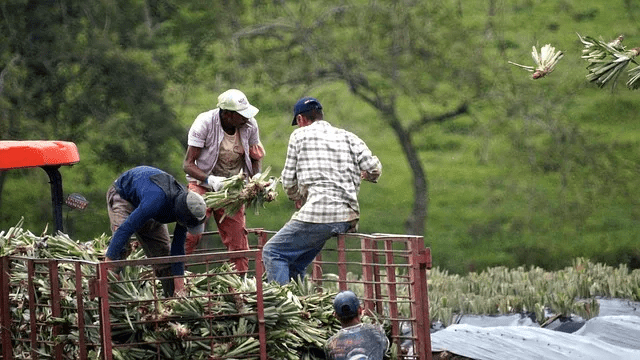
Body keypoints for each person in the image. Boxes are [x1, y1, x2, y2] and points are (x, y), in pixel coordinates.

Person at [262, 97, 382, 285]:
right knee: (295, 262)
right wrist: (366, 176)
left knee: (273, 252)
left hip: (318, 214)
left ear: (300, 119)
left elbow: (287, 180)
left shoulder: (298, 136)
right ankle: (300, 304)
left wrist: (297, 197)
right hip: (346, 216)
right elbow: (374, 168)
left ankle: (283, 307)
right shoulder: (349, 136)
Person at [182, 88, 265, 272]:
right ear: (227, 114)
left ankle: (238, 287)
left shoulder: (250, 125)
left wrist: (256, 178)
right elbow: (188, 164)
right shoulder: (205, 123)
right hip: (203, 184)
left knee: (238, 242)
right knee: (191, 234)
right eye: (241, 115)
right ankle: (175, 276)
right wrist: (210, 180)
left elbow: (255, 156)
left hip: (232, 187)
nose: (246, 118)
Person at [105, 165, 207, 297]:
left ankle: (172, 302)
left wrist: (180, 287)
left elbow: (178, 249)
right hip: (124, 196)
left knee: (164, 259)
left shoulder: (185, 205)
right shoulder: (155, 201)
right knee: (121, 247)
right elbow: (125, 229)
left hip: (150, 205)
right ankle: (110, 296)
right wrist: (107, 265)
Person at [325, 290, 389, 360]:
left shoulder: (330, 345)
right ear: (360, 310)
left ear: (336, 315)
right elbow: (384, 350)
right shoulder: (377, 332)